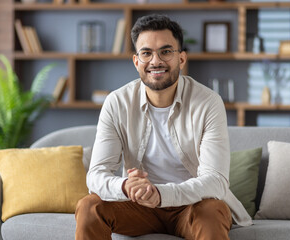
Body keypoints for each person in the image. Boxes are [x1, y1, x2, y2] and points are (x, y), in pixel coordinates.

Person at [75, 14, 252, 240]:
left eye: (166, 52)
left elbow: (215, 181)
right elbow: (96, 175)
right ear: (136, 61)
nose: (155, 61)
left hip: (192, 206)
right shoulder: (117, 103)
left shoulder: (208, 102)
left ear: (182, 58)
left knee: (211, 211)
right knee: (89, 207)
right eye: (146, 53)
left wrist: (161, 194)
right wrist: (126, 187)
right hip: (138, 206)